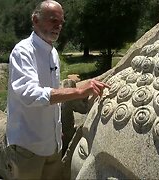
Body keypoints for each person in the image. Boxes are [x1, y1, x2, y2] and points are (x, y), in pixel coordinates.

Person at [6, 1, 110, 179]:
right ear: (35, 19)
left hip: (52, 145)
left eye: (61, 22)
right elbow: (31, 95)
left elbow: (52, 94)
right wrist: (79, 92)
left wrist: (56, 127)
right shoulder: (23, 52)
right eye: (53, 20)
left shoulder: (52, 52)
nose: (58, 26)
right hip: (28, 147)